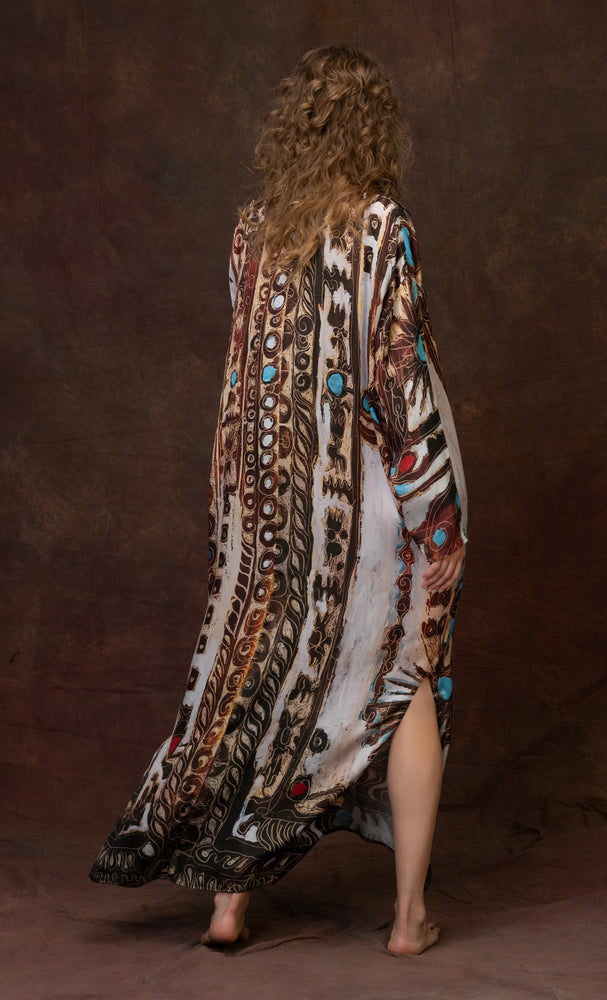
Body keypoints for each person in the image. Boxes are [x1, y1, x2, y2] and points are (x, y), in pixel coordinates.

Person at [89, 43, 468, 957]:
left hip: (268, 502)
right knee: (407, 675)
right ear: (373, 131)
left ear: (292, 131)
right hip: (367, 502)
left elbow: (252, 374)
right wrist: (435, 512)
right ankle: (408, 920)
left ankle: (227, 907)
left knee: (264, 682)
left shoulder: (252, 232)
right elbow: (398, 376)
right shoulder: (382, 226)